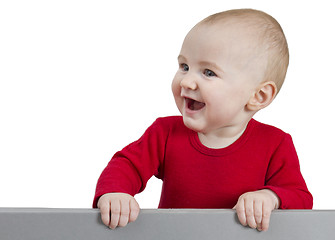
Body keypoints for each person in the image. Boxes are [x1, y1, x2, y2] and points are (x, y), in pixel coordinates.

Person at [93, 8, 313, 232]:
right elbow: (127, 165)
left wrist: (270, 197)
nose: (187, 82)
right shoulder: (165, 132)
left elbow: (300, 198)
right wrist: (115, 193)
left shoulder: (275, 143)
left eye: (208, 72)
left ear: (258, 96)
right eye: (184, 67)